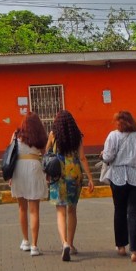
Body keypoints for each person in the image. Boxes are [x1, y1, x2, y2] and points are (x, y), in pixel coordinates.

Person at [101, 110, 136, 262]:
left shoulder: (113, 136)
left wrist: (102, 155)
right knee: (135, 213)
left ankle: (121, 246)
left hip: (118, 178)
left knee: (119, 210)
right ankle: (135, 251)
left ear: (118, 123)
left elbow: (108, 157)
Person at [46, 110, 95, 262]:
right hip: (74, 174)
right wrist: (90, 178)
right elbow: (82, 157)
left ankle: (64, 243)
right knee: (72, 210)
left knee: (60, 211)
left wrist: (46, 172)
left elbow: (47, 153)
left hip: (58, 175)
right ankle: (71, 244)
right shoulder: (77, 136)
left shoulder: (53, 135)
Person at [8, 111, 49, 256]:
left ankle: (25, 241)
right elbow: (45, 155)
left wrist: (10, 175)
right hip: (34, 167)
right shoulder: (40, 137)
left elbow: (10, 155)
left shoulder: (16, 135)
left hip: (18, 169)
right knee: (34, 210)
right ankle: (34, 246)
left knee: (22, 208)